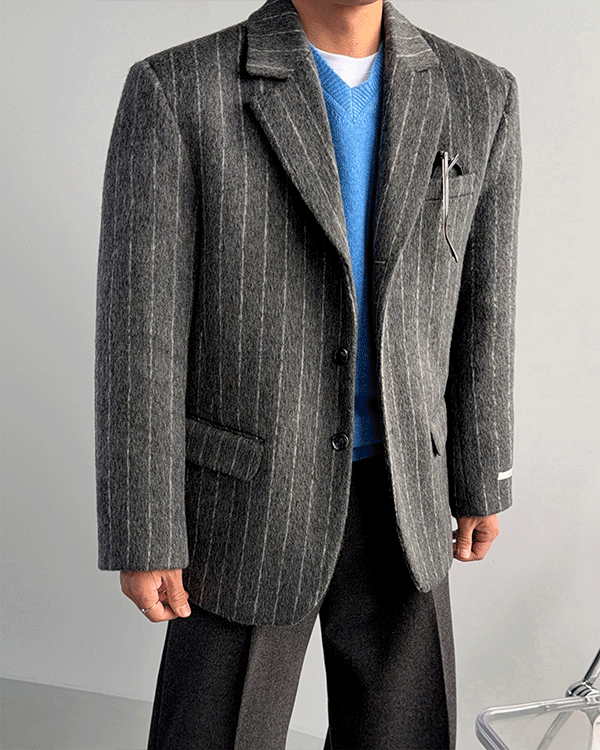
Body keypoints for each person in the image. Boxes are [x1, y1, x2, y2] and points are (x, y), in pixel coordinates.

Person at [94, 0, 522, 747]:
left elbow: (486, 304)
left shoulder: (480, 92)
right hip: (244, 498)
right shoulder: (178, 88)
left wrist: (483, 474)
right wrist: (145, 526)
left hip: (405, 494)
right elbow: (140, 333)